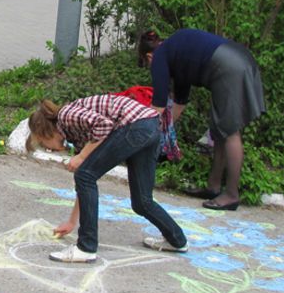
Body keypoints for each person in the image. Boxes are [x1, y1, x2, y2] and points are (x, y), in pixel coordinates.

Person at [27, 95, 188, 263]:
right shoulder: (75, 133)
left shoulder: (66, 116)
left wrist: (81, 157)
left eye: (43, 143)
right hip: (150, 125)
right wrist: (71, 222)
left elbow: (104, 125)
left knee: (85, 175)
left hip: (136, 124)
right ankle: (177, 240)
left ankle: (86, 248)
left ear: (45, 131)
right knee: (142, 201)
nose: (48, 149)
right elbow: (84, 185)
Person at [138, 28, 266, 211]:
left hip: (229, 67)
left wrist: (142, 137)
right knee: (219, 128)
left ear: (149, 56)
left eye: (146, 64)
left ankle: (231, 195)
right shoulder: (175, 52)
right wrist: (165, 131)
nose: (150, 67)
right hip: (236, 59)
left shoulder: (160, 56)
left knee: (230, 131)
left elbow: (158, 106)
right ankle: (213, 187)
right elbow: (179, 103)